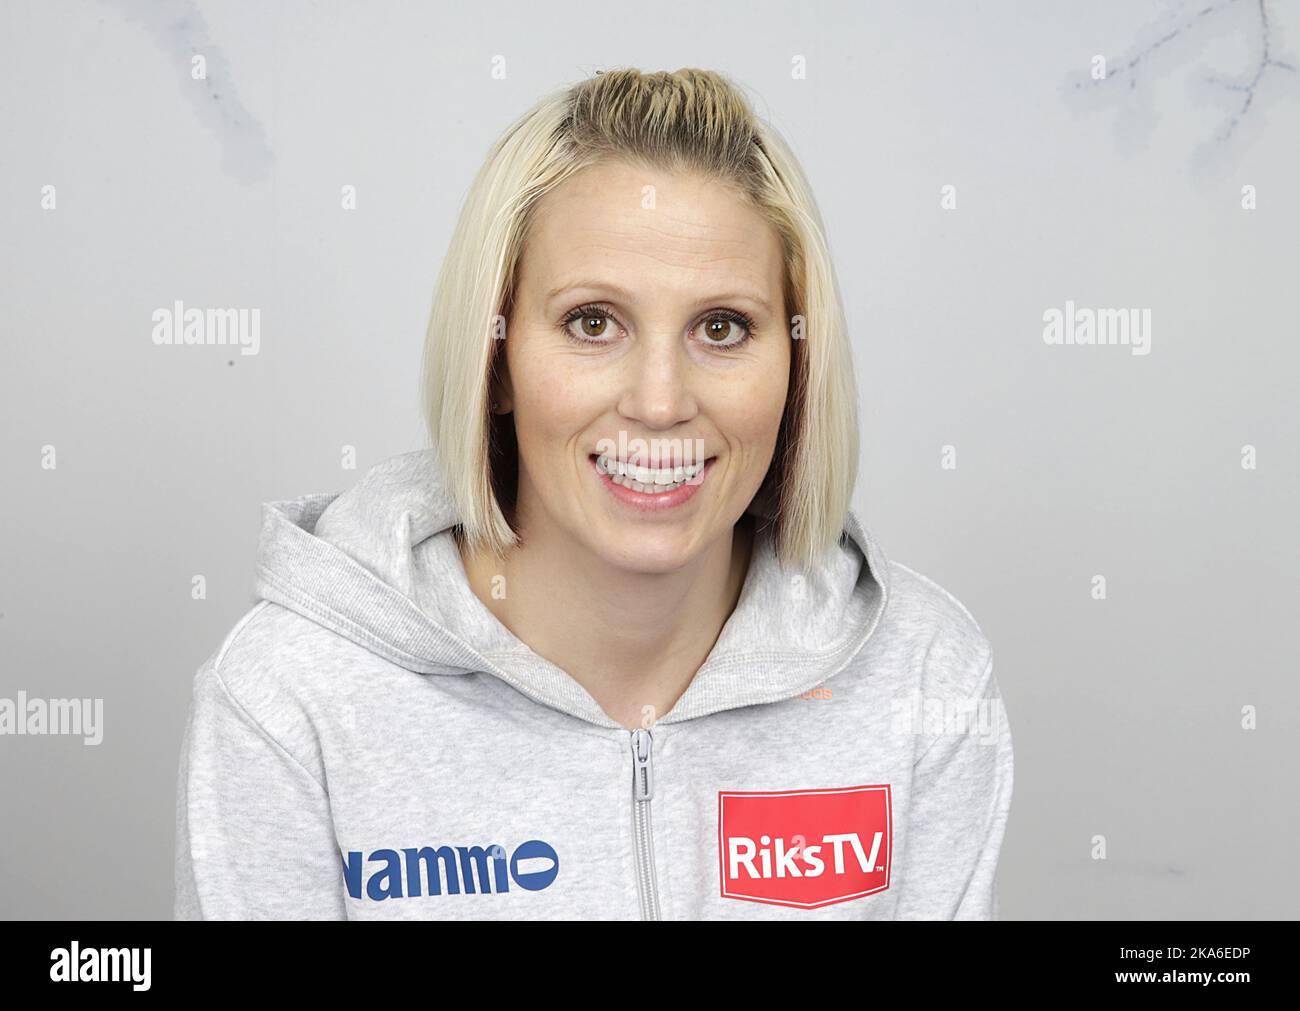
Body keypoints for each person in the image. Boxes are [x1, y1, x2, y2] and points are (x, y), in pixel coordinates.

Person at [173, 67, 1014, 920]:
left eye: (722, 328)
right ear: (494, 358)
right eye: (591, 322)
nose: (659, 402)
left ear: (798, 366)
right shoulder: (293, 696)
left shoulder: (918, 675)